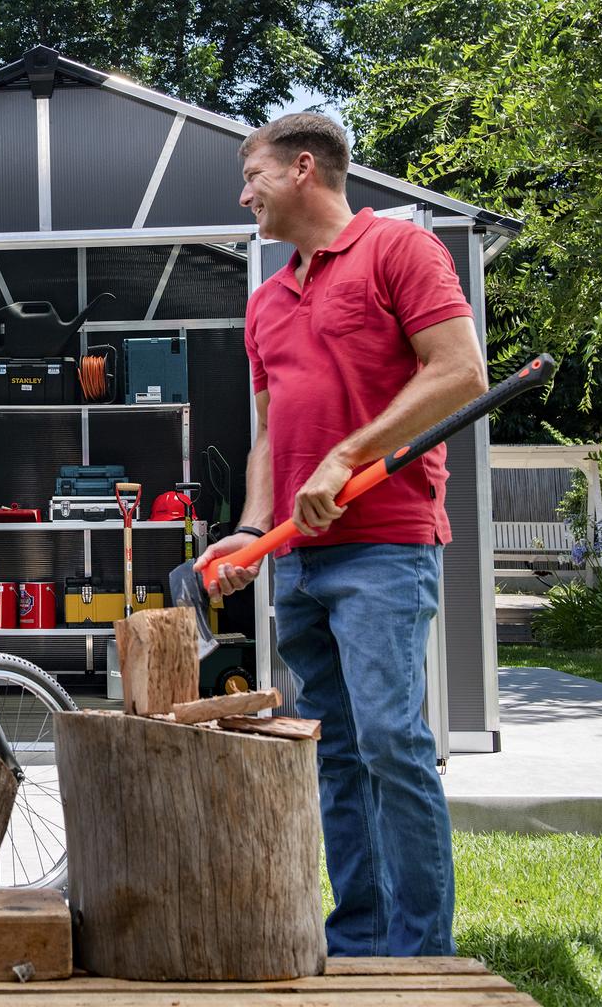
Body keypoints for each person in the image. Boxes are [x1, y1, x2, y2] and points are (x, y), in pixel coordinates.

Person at [197, 114, 487, 958]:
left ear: (303, 167)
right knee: (332, 748)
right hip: (299, 553)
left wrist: (351, 455)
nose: (244, 194)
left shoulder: (399, 253)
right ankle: (358, 937)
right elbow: (267, 433)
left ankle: (420, 950)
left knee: (392, 738)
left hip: (385, 544)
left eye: (252, 176)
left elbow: (460, 371)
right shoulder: (264, 302)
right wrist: (251, 531)